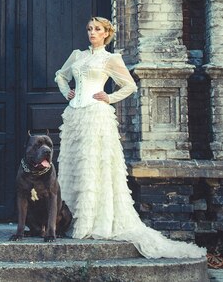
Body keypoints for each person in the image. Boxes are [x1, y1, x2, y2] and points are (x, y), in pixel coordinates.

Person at [54, 16, 206, 259]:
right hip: (74, 116)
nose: (92, 33)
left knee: (94, 165)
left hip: (96, 115)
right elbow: (60, 75)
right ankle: (67, 219)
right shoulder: (77, 55)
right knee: (75, 165)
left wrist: (109, 98)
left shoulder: (111, 59)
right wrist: (67, 92)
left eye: (97, 29)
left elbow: (130, 86)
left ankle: (94, 221)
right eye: (90, 29)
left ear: (106, 33)